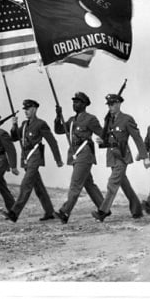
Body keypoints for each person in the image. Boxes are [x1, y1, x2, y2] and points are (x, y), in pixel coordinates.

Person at [3, 100, 64, 222]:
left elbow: (52, 142)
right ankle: (49, 211)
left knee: (26, 184)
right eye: (25, 109)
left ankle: (14, 213)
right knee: (38, 187)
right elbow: (14, 138)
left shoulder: (41, 124)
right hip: (26, 157)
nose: (26, 111)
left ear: (35, 109)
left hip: (35, 156)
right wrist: (14, 125)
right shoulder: (25, 124)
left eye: (28, 109)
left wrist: (58, 159)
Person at [92, 93, 148, 222]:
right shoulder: (109, 119)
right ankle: (137, 209)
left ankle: (103, 211)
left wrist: (145, 156)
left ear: (118, 104)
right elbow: (108, 139)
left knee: (112, 183)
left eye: (112, 104)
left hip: (122, 156)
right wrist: (102, 141)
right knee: (124, 184)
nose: (110, 107)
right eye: (109, 105)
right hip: (112, 156)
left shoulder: (127, 119)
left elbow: (137, 138)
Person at [53, 92, 106, 224]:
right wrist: (58, 116)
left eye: (77, 102)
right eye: (74, 101)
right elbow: (59, 130)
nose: (74, 104)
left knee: (75, 184)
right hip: (75, 154)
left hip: (85, 154)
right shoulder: (71, 120)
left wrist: (105, 140)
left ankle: (65, 212)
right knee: (89, 184)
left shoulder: (90, 119)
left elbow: (102, 133)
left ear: (84, 104)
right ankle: (104, 208)